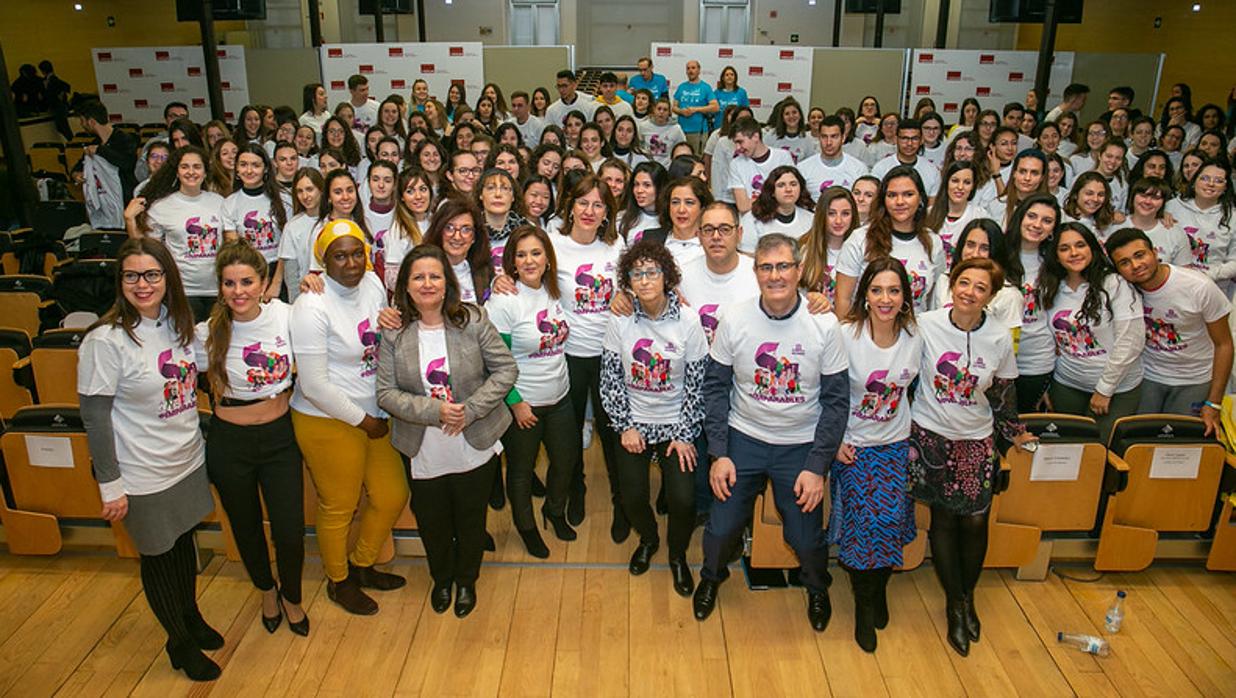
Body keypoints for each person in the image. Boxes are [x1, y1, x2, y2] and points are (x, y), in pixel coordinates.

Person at [78, 238, 222, 681]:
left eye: (152, 274)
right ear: (120, 281)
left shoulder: (177, 324)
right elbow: (95, 416)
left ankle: (191, 618)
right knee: (159, 557)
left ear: (168, 279)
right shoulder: (106, 341)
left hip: (184, 459)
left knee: (182, 545)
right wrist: (111, 484)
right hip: (142, 473)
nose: (143, 284)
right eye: (132, 275)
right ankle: (178, 642)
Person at [694, 233, 848, 631]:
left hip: (799, 447)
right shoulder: (736, 318)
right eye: (766, 267)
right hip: (743, 439)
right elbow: (714, 388)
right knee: (721, 529)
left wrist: (817, 467)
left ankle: (816, 587)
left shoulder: (824, 325)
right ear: (756, 272)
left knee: (805, 538)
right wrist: (719, 453)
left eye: (783, 266)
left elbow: (835, 403)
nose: (775, 276)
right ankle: (711, 578)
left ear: (799, 271)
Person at [377, 244, 517, 617]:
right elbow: (386, 393)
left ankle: (466, 580)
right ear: (405, 286)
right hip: (422, 444)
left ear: (448, 282)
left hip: (473, 438)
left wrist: (469, 411)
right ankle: (441, 578)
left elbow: (506, 371)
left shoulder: (471, 319)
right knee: (433, 521)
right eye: (418, 277)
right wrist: (434, 410)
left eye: (435, 276)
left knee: (471, 518)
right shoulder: (394, 332)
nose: (427, 284)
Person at [911, 257, 1038, 657]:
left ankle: (968, 594)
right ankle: (954, 604)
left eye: (979, 287)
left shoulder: (999, 337)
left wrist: (1014, 433)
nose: (968, 292)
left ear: (991, 295)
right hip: (930, 434)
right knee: (945, 519)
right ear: (952, 285)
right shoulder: (925, 324)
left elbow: (1001, 395)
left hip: (975, 439)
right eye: (963, 282)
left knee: (976, 519)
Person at [290, 220, 409, 615]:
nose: (352, 263)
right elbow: (313, 385)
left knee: (392, 494)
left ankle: (362, 565)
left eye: (357, 252)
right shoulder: (312, 305)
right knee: (339, 504)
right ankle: (338, 581)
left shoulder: (374, 283)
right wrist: (365, 421)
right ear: (323, 260)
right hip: (327, 418)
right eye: (339, 255)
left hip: (372, 411)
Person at [197, 240, 307, 636]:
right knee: (245, 526)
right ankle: (265, 589)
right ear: (220, 288)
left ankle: (292, 595)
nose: (238, 291)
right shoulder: (207, 332)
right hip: (230, 444)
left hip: (280, 437)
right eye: (229, 283)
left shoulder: (285, 315)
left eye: (246, 281)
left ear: (263, 283)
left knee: (290, 529)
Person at [600, 240, 707, 594]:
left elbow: (696, 383)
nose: (644, 280)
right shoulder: (620, 320)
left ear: (667, 276)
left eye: (652, 272)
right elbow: (610, 378)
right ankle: (648, 540)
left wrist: (684, 433)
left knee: (683, 499)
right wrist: (625, 427)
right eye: (637, 273)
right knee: (631, 496)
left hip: (677, 424)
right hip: (635, 422)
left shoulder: (689, 321)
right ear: (628, 280)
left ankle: (677, 555)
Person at [832, 257, 922, 652]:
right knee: (863, 525)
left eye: (894, 290)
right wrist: (833, 442)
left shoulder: (916, 335)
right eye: (877, 290)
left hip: (895, 443)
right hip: (853, 446)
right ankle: (864, 607)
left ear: (905, 297)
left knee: (891, 522)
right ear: (865, 294)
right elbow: (825, 395)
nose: (885, 299)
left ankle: (879, 590)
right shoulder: (845, 335)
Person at [486, 226, 578, 557]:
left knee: (565, 462)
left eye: (536, 253)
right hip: (523, 403)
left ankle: (554, 511)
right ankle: (526, 527)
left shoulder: (555, 291)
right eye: (521, 254)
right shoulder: (504, 301)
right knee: (522, 472)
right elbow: (496, 361)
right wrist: (515, 403)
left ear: (548, 259)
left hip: (561, 397)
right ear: (511, 261)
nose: (529, 261)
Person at [1105, 228, 1233, 434]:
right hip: (1147, 376)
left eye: (1140, 255)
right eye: (1124, 262)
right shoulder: (1123, 291)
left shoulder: (1199, 287)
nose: (1135, 266)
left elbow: (1224, 344)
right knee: (1138, 441)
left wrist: (1214, 403)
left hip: (1194, 379)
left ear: (1155, 253)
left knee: (1179, 447)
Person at [1038, 223, 1144, 441]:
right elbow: (1048, 341)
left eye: (1080, 245)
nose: (1074, 253)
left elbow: (1131, 341)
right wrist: (1045, 385)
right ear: (1056, 256)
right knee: (1066, 450)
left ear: (1093, 249)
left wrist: (1105, 389)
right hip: (1067, 384)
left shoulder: (1114, 284)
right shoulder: (1050, 287)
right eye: (1064, 248)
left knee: (1097, 454)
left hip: (1116, 389)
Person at [124, 146, 227, 322]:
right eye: (185, 167)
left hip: (218, 290)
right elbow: (148, 252)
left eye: (197, 166)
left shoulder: (220, 202)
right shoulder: (161, 207)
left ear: (205, 172)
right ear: (177, 172)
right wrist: (129, 220)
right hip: (181, 291)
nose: (191, 172)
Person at [834, 166, 945, 317]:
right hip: (866, 335)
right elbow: (843, 299)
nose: (899, 201)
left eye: (908, 194)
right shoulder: (860, 239)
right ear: (883, 200)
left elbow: (935, 301)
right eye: (892, 195)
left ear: (920, 199)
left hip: (917, 334)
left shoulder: (933, 242)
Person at [1003, 194, 1062, 412]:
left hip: (1036, 361)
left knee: (1024, 427)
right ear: (1020, 217)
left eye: (1047, 221)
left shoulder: (1056, 262)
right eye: (1032, 216)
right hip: (997, 357)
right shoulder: (998, 254)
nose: (1037, 225)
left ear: (1053, 229)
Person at [931, 218, 1024, 331]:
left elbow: (1009, 346)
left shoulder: (1010, 295)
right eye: (970, 245)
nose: (975, 253)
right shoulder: (944, 280)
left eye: (985, 248)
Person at [1167, 158, 1236, 295]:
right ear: (1194, 183)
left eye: (1218, 181)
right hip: (1172, 285)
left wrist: (1207, 274)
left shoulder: (1233, 217)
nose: (1211, 184)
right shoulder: (1171, 207)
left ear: (1225, 188)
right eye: (1205, 178)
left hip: (1214, 288)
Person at [222, 144, 288, 281]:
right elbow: (234, 248)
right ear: (237, 169)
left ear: (265, 169)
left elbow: (289, 245)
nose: (249, 170)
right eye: (243, 165)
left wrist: (276, 280)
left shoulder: (285, 199)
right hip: (246, 270)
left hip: (279, 271)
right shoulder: (229, 203)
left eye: (256, 165)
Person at [728, 117, 794, 214]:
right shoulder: (736, 164)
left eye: (740, 142)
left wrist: (754, 201)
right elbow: (743, 206)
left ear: (755, 136)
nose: (738, 148)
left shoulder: (783, 157)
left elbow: (790, 197)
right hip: (751, 222)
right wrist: (775, 198)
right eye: (735, 143)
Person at [798, 115, 870, 203]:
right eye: (824, 137)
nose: (828, 142)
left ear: (843, 138)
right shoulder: (803, 168)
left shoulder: (859, 169)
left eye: (834, 136)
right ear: (819, 138)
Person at [743, 165, 814, 252]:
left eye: (793, 184)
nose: (788, 189)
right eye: (781, 185)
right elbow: (747, 256)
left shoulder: (812, 219)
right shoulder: (751, 220)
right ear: (772, 191)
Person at [1124, 177, 1192, 267]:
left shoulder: (1175, 232)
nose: (1148, 201)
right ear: (1133, 197)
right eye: (1143, 195)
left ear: (1164, 202)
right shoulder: (1116, 225)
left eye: (1155, 198)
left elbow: (1185, 272)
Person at [925, 161, 981, 266]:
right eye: (955, 181)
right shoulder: (928, 214)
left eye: (967, 182)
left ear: (973, 186)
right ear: (946, 183)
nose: (960, 187)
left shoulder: (980, 216)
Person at [870, 119, 941, 196]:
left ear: (921, 140)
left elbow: (932, 204)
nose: (909, 143)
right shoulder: (881, 168)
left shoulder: (932, 170)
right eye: (904, 138)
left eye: (915, 139)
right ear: (896, 139)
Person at [672, 60, 719, 154]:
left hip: (699, 131)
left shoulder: (705, 87)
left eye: (693, 68)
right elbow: (673, 107)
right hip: (681, 130)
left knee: (697, 158)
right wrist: (681, 111)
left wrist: (696, 109)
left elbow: (715, 107)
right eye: (688, 68)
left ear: (699, 70)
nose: (690, 71)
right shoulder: (681, 87)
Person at [765, 98, 818, 164]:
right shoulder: (771, 136)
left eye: (794, 112)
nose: (791, 116)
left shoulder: (807, 140)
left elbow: (811, 164)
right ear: (782, 118)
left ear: (800, 115)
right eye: (787, 114)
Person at [642, 98, 687, 167]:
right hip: (648, 166)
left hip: (667, 167)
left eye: (665, 110)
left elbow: (683, 148)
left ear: (669, 112)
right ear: (654, 110)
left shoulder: (676, 129)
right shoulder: (643, 126)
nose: (661, 112)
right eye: (659, 109)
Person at [39, 60, 72, 139]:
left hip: (58, 107)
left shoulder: (50, 80)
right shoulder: (50, 79)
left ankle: (72, 142)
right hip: (59, 107)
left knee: (63, 127)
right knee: (63, 127)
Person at [712, 66, 749, 132]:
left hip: (737, 128)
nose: (729, 77)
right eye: (727, 75)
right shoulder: (716, 93)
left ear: (735, 77)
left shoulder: (741, 92)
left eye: (732, 74)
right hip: (719, 127)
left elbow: (745, 111)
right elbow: (712, 111)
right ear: (723, 78)